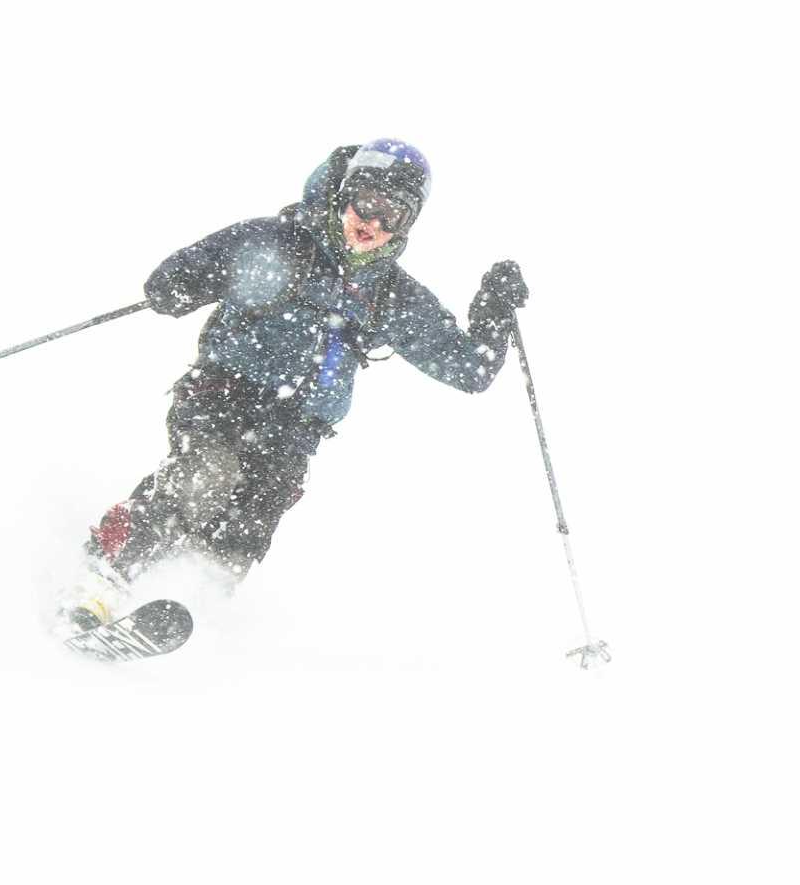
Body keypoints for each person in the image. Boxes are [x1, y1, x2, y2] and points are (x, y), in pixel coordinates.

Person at [58, 139, 529, 634]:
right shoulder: (278, 241)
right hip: (222, 392)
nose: (374, 222)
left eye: (394, 214)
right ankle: (101, 582)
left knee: (249, 524)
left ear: (408, 225)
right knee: (205, 475)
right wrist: (185, 285)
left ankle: (181, 608)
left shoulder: (390, 294)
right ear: (344, 194)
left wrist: (493, 310)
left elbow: (470, 371)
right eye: (367, 202)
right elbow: (171, 282)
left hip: (293, 426)